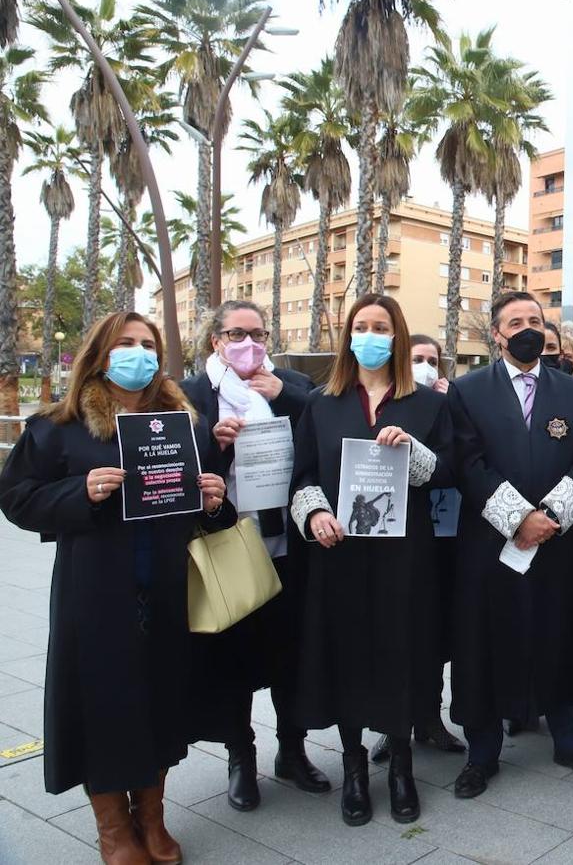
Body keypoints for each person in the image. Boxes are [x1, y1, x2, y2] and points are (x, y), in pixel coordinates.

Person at [0, 312, 232, 865]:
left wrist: (214, 496)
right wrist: (80, 493)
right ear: (100, 354)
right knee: (101, 709)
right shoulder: (60, 425)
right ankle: (113, 829)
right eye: (126, 344)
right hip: (96, 594)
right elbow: (17, 498)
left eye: (148, 344)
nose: (139, 353)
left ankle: (151, 818)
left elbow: (213, 512)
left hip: (167, 590)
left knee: (159, 704)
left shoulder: (183, 423)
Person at [289, 293, 456, 827]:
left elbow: (452, 473)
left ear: (398, 335)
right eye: (361, 325)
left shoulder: (428, 404)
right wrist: (314, 514)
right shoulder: (322, 401)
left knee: (401, 653)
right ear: (348, 335)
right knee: (347, 656)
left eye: (381, 325)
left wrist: (414, 452)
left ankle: (402, 763)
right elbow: (304, 474)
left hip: (406, 557)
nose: (370, 334)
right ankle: (355, 765)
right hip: (340, 556)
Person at [445, 290, 573, 799]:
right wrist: (517, 519)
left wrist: (551, 516)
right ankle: (482, 751)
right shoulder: (468, 391)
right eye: (515, 321)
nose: (526, 328)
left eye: (535, 319)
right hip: (491, 545)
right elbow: (466, 462)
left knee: (558, 634)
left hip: (557, 544)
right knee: (485, 643)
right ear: (497, 333)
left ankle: (567, 736)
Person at [179, 300, 330, 812]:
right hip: (228, 543)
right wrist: (214, 448)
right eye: (237, 333)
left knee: (291, 653)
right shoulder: (191, 395)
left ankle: (293, 750)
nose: (250, 343)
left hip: (288, 544)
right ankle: (240, 755)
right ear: (214, 340)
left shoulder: (292, 385)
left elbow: (325, 436)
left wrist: (285, 393)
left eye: (259, 332)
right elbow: (171, 470)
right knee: (234, 657)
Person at [369, 334, 466, 765]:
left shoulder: (445, 403)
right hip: (400, 536)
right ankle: (395, 725)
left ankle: (430, 717)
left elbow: (453, 464)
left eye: (432, 360)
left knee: (436, 632)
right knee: (397, 634)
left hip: (448, 539)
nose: (425, 366)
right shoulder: (390, 405)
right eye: (417, 359)